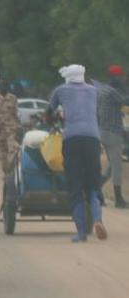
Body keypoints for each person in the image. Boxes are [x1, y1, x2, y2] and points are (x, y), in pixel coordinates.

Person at [48, 64, 108, 242]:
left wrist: (53, 120)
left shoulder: (60, 90)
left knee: (75, 187)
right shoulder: (93, 90)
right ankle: (97, 220)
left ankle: (81, 232)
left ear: (67, 77)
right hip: (92, 139)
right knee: (93, 185)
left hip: (72, 139)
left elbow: (49, 112)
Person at [96, 65, 128, 208]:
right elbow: (125, 101)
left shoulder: (102, 90)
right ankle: (119, 199)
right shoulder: (112, 92)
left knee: (111, 165)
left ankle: (96, 190)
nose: (122, 79)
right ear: (114, 78)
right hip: (113, 132)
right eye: (121, 77)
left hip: (102, 130)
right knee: (117, 167)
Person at [0, 82, 21, 173]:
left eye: (5, 86)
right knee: (3, 153)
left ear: (7, 87)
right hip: (0, 130)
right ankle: (7, 173)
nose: (3, 88)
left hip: (12, 129)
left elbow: (16, 113)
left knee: (13, 149)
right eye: (1, 86)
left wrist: (19, 125)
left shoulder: (13, 98)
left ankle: (13, 170)